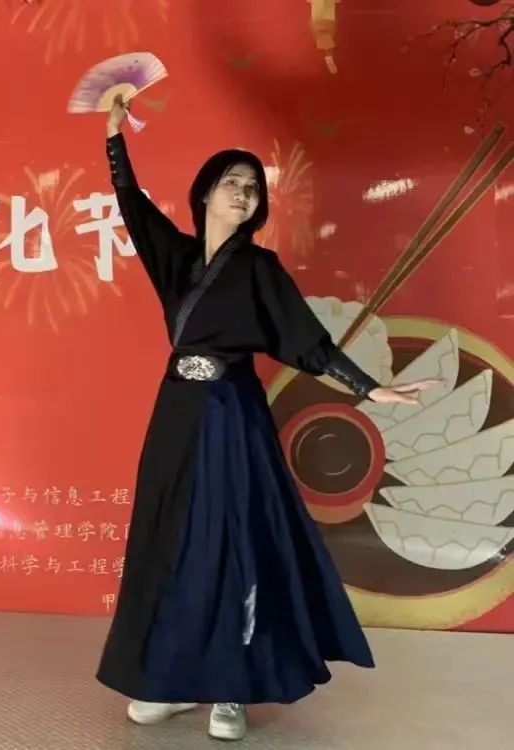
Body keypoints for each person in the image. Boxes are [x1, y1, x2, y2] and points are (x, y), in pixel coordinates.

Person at [96, 98, 439, 741]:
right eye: (233, 182)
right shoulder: (174, 258)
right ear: (205, 193)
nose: (244, 193)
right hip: (177, 414)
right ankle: (171, 679)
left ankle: (232, 688)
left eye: (254, 188)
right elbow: (131, 205)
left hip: (233, 415)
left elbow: (307, 341)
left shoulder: (260, 268)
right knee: (170, 542)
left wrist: (369, 389)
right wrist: (114, 138)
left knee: (234, 542)